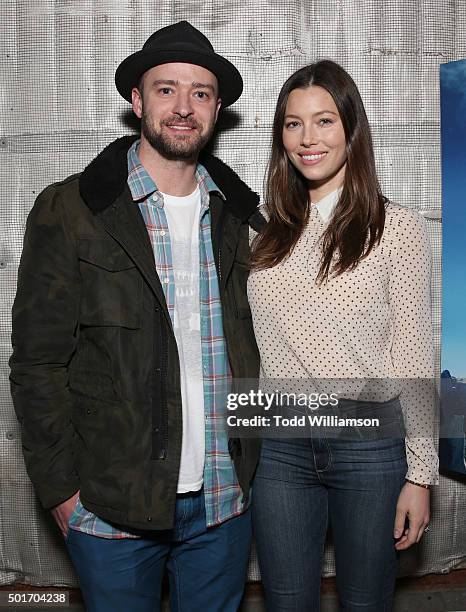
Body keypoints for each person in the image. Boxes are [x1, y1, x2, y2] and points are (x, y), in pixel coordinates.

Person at [10, 20, 264, 612]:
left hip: (224, 505)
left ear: (217, 107)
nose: (182, 107)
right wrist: (61, 491)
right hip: (110, 507)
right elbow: (37, 362)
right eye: (165, 88)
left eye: (199, 92)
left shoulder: (241, 219)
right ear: (137, 99)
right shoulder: (72, 209)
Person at [248, 60, 438, 611]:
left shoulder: (395, 227)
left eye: (324, 121)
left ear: (351, 129)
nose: (308, 139)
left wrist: (420, 476)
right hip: (280, 447)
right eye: (293, 123)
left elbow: (413, 353)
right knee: (285, 601)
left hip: (371, 448)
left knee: (365, 602)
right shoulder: (260, 228)